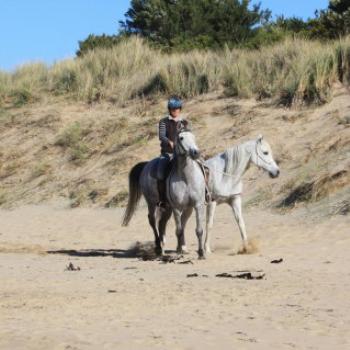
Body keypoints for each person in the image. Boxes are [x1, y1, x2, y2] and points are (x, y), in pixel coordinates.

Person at [157, 96, 188, 207]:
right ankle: (162, 199)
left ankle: (205, 192)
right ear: (169, 109)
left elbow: (188, 135)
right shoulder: (164, 122)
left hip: (183, 154)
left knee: (201, 166)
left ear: (180, 109)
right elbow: (161, 136)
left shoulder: (184, 122)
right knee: (160, 173)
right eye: (173, 109)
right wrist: (169, 142)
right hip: (168, 153)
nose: (175, 111)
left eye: (177, 108)